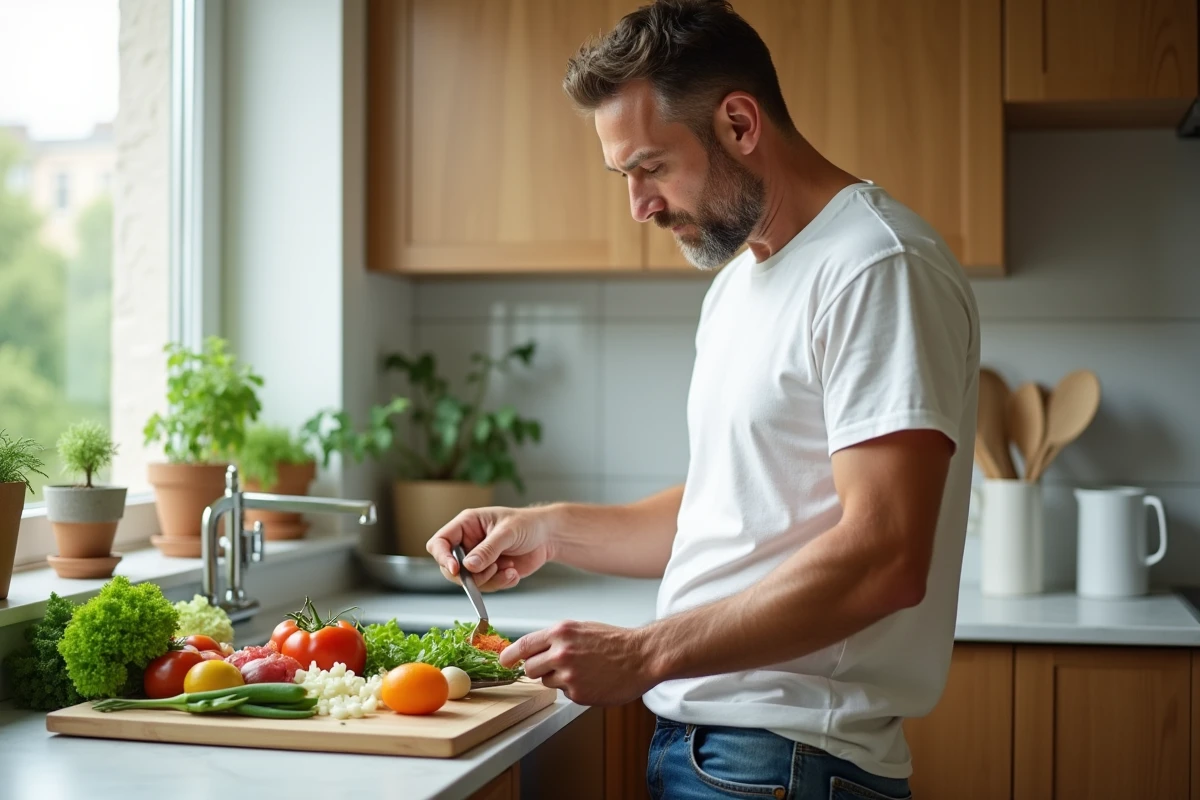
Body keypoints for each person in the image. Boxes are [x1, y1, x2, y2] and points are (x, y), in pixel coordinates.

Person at [427, 1, 979, 797]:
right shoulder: (739, 285)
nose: (639, 206)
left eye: (651, 167)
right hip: (714, 750)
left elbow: (886, 555)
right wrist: (547, 529)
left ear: (740, 124)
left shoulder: (874, 267)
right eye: (624, 176)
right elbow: (735, 513)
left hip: (786, 759)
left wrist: (645, 652)